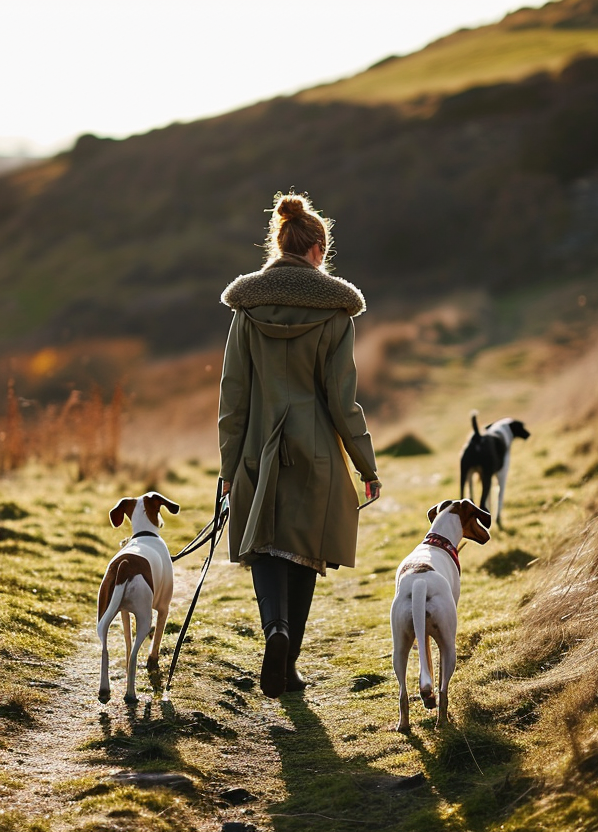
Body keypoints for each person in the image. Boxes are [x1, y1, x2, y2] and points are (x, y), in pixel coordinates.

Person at [217, 192, 382, 699]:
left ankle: (275, 633)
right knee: (304, 552)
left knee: (265, 546)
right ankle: (288, 668)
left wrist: (228, 468)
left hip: (256, 452)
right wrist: (366, 465)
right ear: (316, 251)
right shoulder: (337, 314)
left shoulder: (246, 309)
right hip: (315, 454)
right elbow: (342, 401)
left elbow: (234, 398)